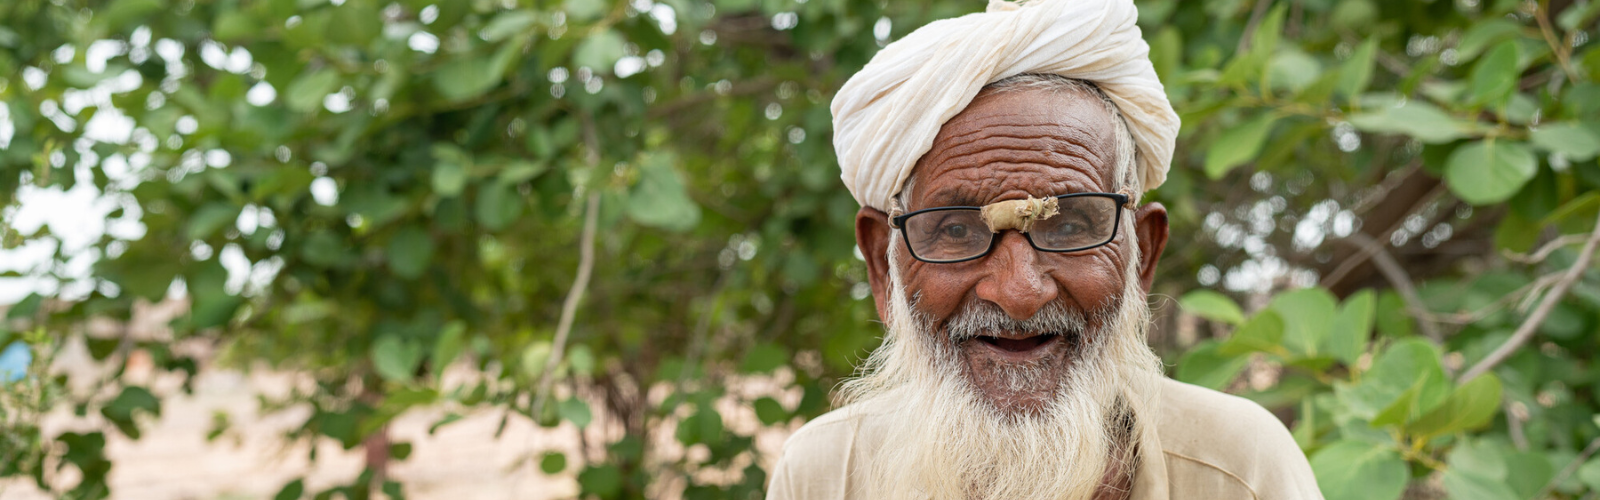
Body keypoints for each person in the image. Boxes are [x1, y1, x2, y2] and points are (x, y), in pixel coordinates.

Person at [766, 0, 1322, 499]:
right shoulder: (823, 477)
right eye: (956, 231)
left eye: (1071, 226)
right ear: (883, 268)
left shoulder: (1241, 469)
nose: (1019, 293)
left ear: (1142, 257)